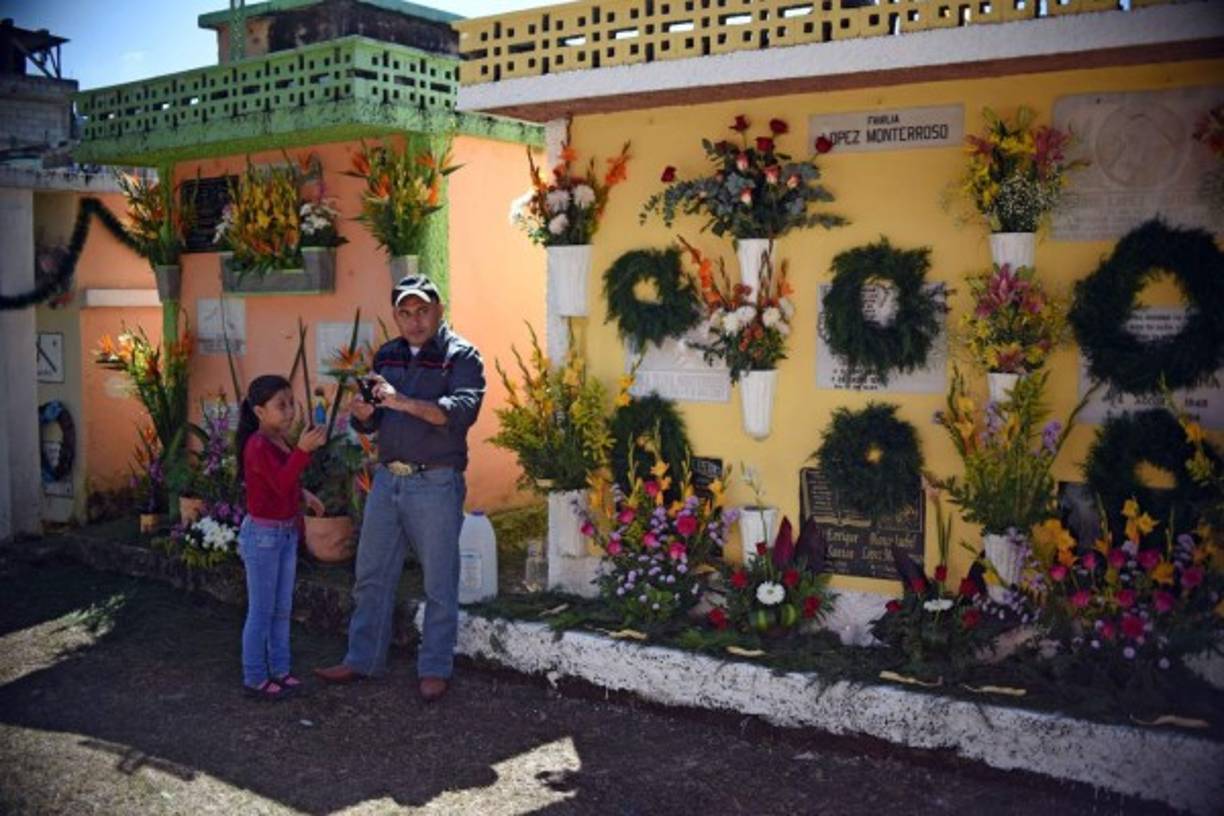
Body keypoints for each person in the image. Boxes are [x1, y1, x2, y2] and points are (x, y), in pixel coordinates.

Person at [315, 274, 486, 703]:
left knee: (439, 582)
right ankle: (361, 659)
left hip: (436, 481)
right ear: (395, 316)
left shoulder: (461, 356)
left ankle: (434, 669)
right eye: (404, 313)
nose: (414, 321)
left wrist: (400, 401)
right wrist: (362, 415)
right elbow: (372, 421)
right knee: (371, 575)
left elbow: (460, 413)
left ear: (438, 309)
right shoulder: (387, 355)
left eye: (422, 310)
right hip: (387, 478)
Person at [234, 374, 327, 700]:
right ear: (259, 411)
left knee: (281, 608)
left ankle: (281, 670)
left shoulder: (278, 441)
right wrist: (302, 450)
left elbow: (283, 481)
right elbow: (278, 481)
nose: (289, 412)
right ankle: (255, 677)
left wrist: (305, 494)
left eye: (291, 403)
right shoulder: (257, 445)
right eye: (281, 406)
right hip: (263, 537)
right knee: (261, 610)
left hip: (284, 534)